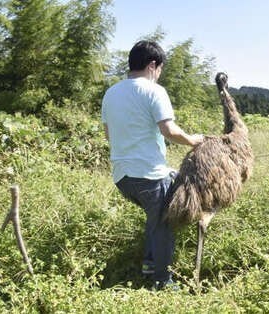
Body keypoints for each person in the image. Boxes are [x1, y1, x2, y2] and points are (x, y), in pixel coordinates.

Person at [101, 40, 204, 288]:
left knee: (154, 216)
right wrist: (193, 140)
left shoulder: (111, 92)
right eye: (159, 70)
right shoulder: (154, 91)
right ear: (152, 65)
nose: (158, 75)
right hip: (148, 176)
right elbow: (168, 130)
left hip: (122, 178)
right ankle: (162, 280)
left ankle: (149, 263)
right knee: (164, 225)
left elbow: (108, 134)